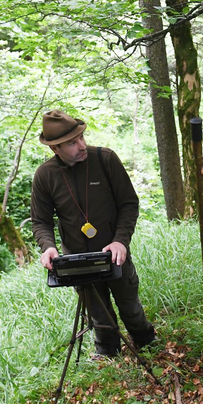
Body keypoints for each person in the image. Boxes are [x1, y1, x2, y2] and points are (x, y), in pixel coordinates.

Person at [31, 109, 156, 357]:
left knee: (129, 306)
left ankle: (147, 343)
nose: (81, 145)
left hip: (114, 254)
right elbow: (40, 221)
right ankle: (108, 352)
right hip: (78, 260)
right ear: (55, 149)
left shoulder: (105, 159)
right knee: (98, 312)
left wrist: (120, 241)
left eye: (81, 138)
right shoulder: (45, 176)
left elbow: (129, 204)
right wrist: (48, 247)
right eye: (72, 143)